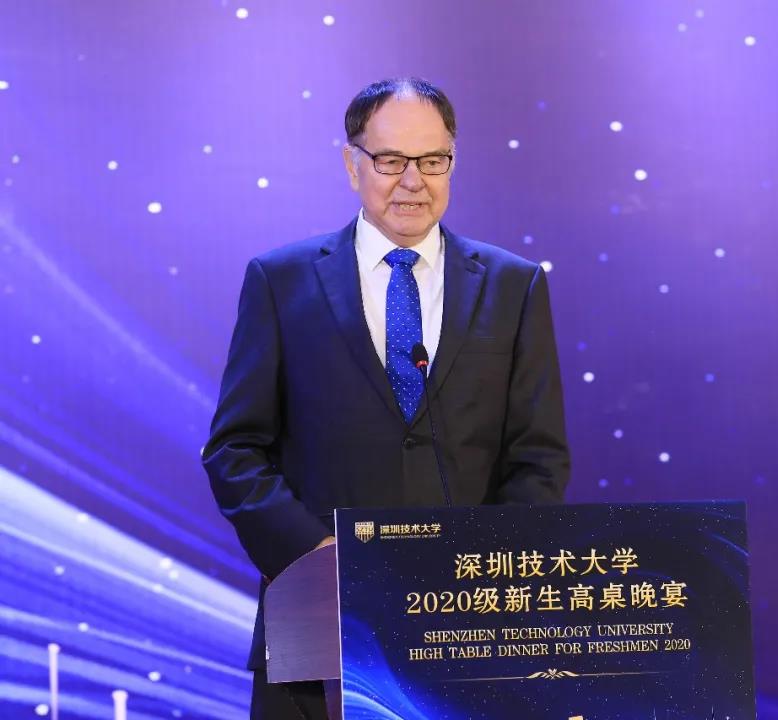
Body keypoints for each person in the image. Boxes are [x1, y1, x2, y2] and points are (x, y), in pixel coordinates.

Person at [202, 77, 571, 719]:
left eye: (433, 160)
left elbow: (538, 458)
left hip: (470, 631)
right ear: (352, 165)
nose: (413, 181)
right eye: (392, 160)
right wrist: (315, 555)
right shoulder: (281, 281)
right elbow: (234, 450)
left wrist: (486, 568)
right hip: (318, 629)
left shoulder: (513, 286)